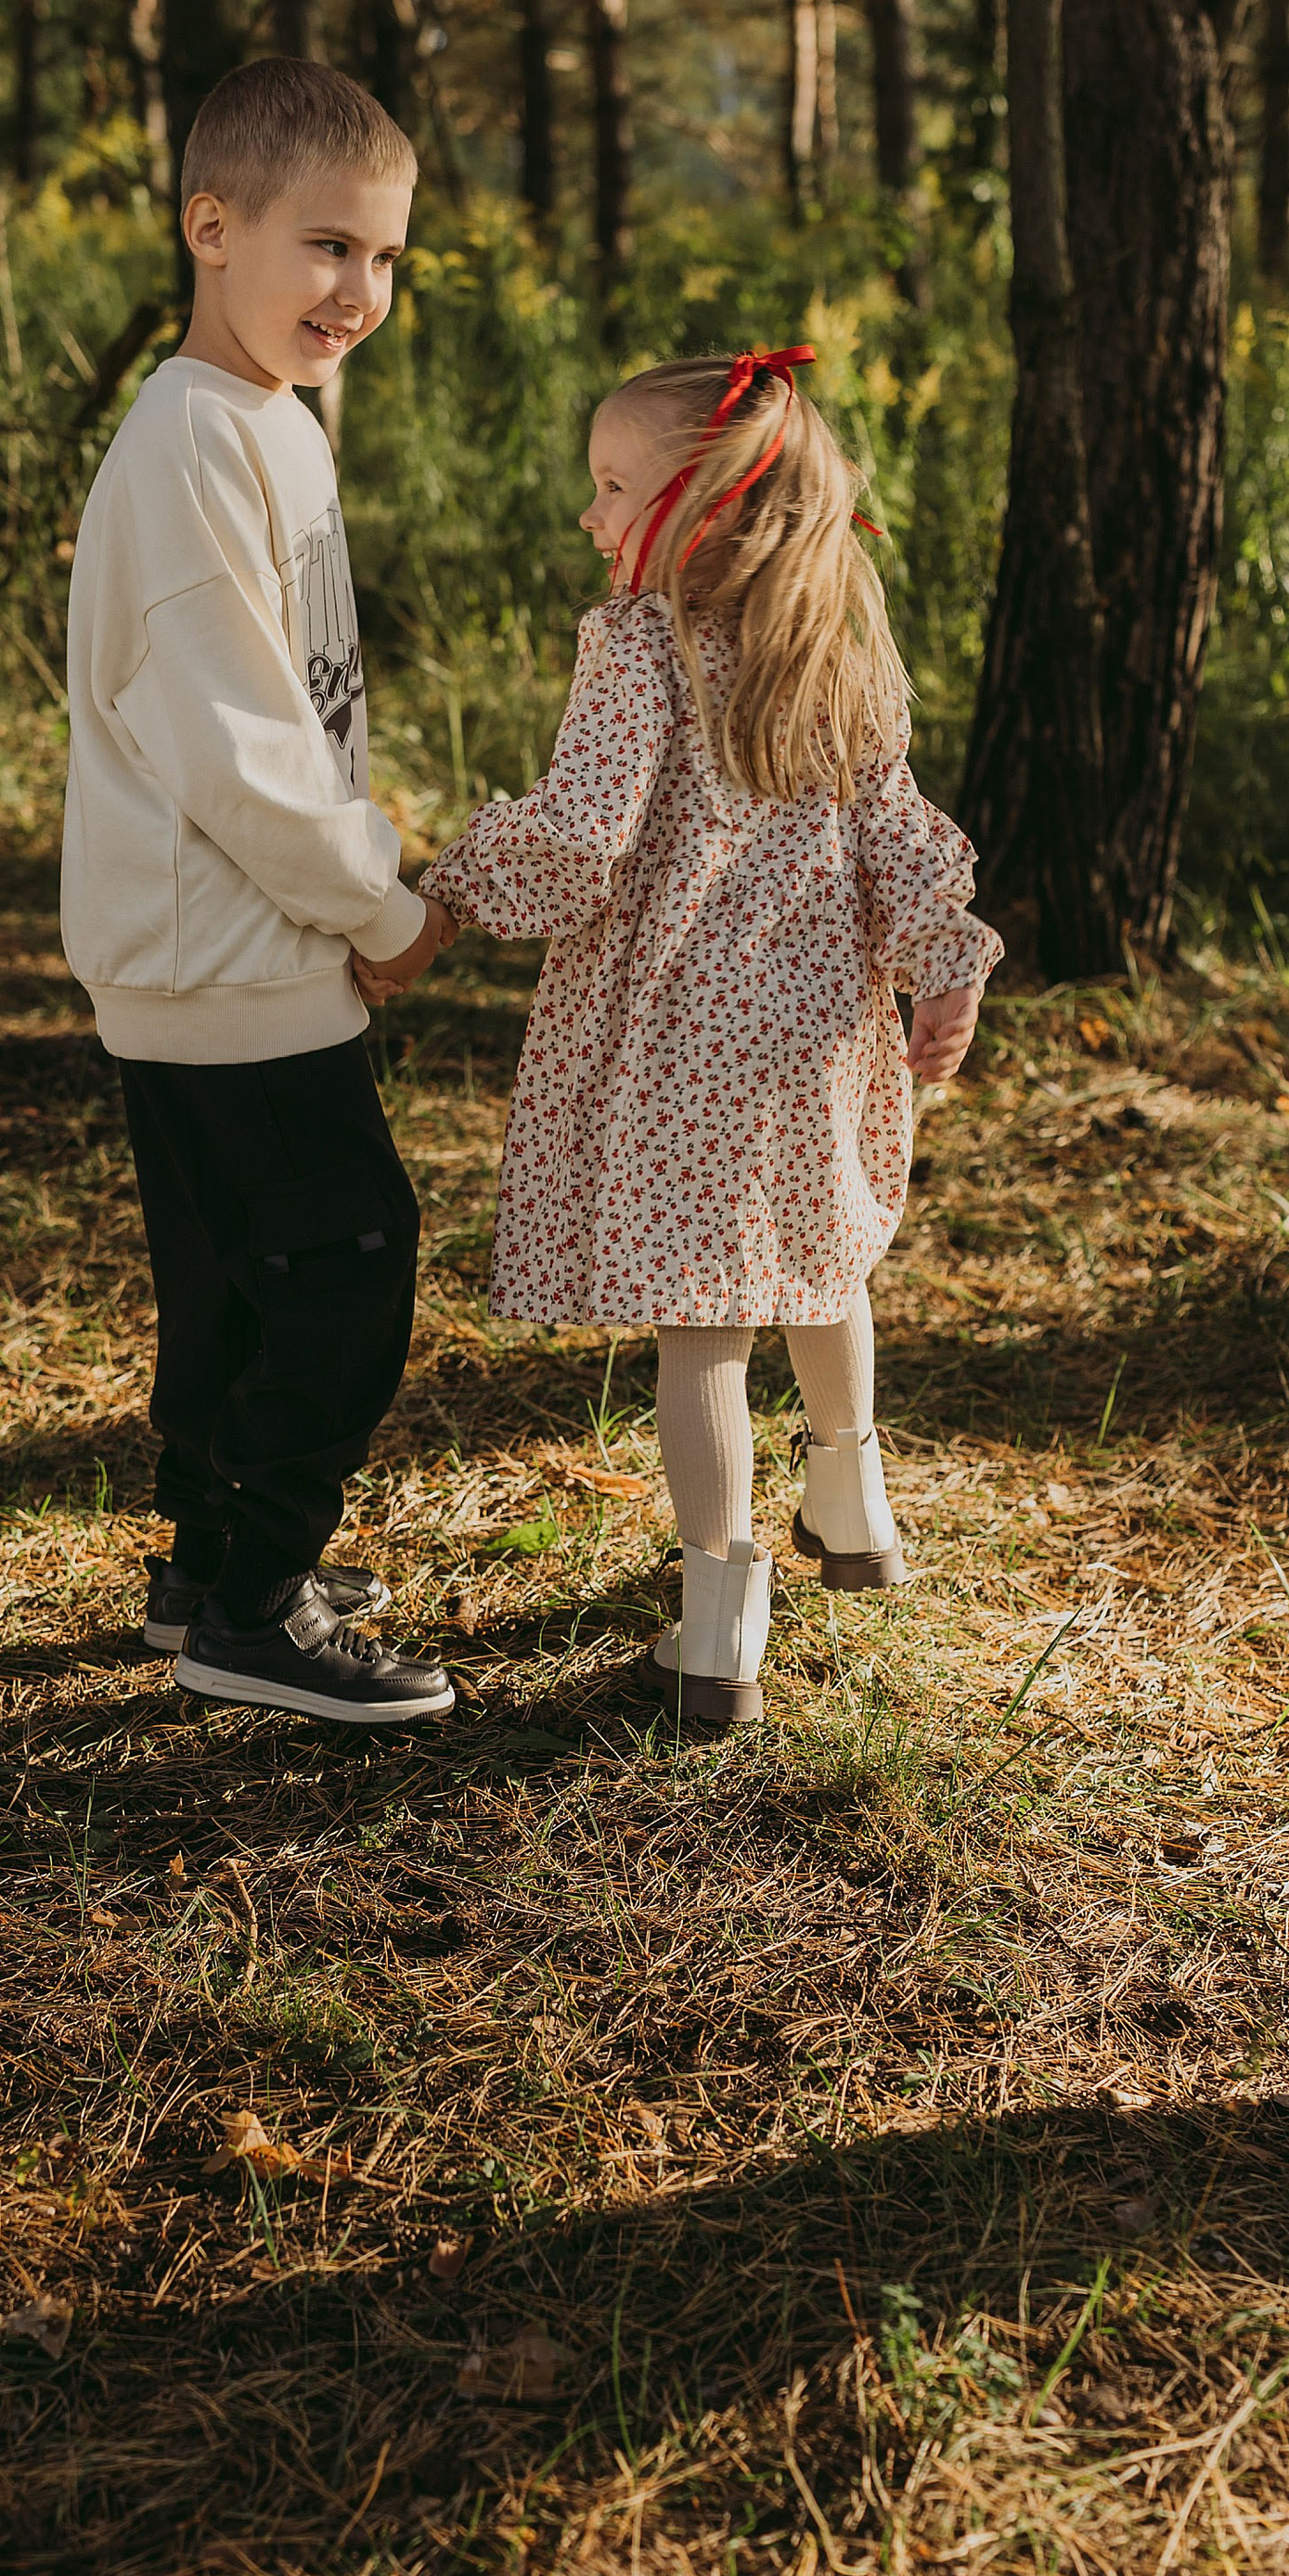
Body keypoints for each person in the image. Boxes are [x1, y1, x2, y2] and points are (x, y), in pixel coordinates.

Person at [409, 348, 999, 1730]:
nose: (591, 517)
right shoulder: (840, 648)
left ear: (712, 507)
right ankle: (853, 1509)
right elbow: (898, 838)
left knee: (706, 1334)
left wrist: (449, 881)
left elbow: (580, 841)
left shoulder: (640, 648)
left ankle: (719, 1630)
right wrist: (942, 956)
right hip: (816, 1044)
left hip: (682, 1053)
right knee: (825, 1260)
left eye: (614, 488)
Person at [61, 58, 458, 1727]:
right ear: (210, 230)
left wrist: (344, 888)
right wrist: (379, 907)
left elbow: (294, 710)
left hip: (216, 947)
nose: (357, 292)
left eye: (383, 258)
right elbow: (241, 746)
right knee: (352, 1269)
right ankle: (259, 1605)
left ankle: (207, 1555)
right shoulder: (191, 447)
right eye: (324, 248)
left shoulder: (264, 423)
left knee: (230, 1275)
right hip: (227, 946)